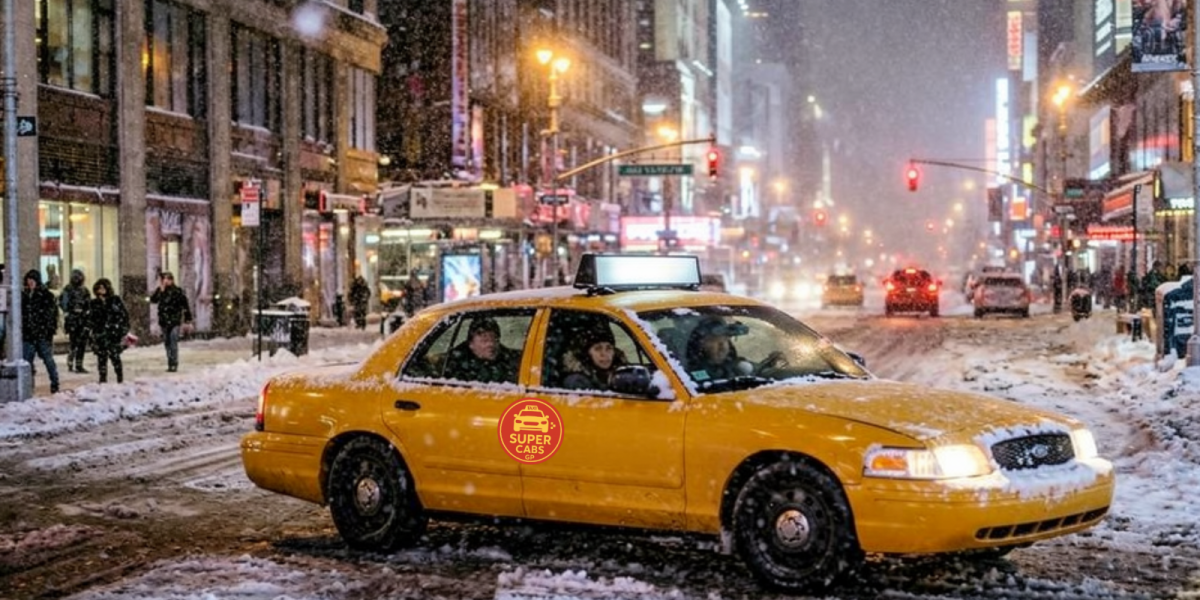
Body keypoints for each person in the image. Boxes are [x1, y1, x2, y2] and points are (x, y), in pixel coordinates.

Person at [443, 317, 520, 383]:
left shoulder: (509, 360)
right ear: (471, 344)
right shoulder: (457, 366)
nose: (491, 344)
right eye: (485, 340)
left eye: (495, 339)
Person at [22, 269, 60, 394]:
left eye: (32, 280)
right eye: (28, 280)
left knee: (48, 360)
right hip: (28, 334)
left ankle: (55, 383)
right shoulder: (24, 296)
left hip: (41, 334)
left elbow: (52, 315)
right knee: (27, 362)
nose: (30, 283)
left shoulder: (46, 295)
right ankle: (28, 385)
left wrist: (48, 331)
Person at [685, 316, 755, 381]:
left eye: (725, 339)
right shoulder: (686, 376)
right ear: (700, 344)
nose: (723, 347)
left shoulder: (738, 366)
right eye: (713, 340)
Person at [87, 278, 129, 384]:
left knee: (114, 355)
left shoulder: (115, 300)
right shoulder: (94, 303)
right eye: (99, 288)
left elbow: (123, 315)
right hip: (100, 332)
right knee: (101, 357)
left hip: (113, 332)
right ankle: (102, 377)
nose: (101, 290)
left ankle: (119, 376)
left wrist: (121, 328)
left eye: (103, 287)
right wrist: (92, 331)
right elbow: (91, 318)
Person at [150, 271, 193, 372]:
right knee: (167, 342)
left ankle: (174, 363)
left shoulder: (177, 291)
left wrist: (187, 318)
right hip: (164, 321)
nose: (164, 282)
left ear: (171, 280)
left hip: (174, 320)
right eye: (163, 280)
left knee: (173, 341)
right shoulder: (161, 291)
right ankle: (170, 361)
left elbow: (185, 305)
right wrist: (160, 290)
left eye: (166, 279)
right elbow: (153, 300)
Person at [562, 326, 627, 391]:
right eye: (598, 349)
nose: (604, 354)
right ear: (587, 353)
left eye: (609, 348)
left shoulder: (622, 376)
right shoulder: (577, 381)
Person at [59, 268, 92, 373]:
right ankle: (71, 361)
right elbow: (63, 302)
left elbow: (88, 304)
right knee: (74, 342)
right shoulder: (68, 289)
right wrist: (69, 312)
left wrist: (86, 313)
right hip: (73, 319)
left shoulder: (84, 290)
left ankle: (78, 364)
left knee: (81, 342)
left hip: (82, 319)